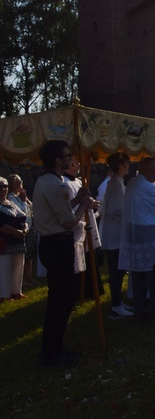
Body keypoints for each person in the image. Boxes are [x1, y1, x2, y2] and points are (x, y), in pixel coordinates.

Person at [34, 140, 93, 366]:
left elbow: (61, 209)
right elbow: (68, 221)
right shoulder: (56, 185)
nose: (71, 159)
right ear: (58, 160)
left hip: (52, 244)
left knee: (62, 298)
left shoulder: (47, 181)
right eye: (67, 155)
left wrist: (78, 199)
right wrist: (84, 205)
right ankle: (51, 353)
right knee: (61, 300)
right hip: (58, 245)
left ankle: (55, 347)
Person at [119, 157, 155, 321]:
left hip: (135, 232)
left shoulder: (133, 182)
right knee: (154, 274)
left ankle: (140, 307)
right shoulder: (147, 187)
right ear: (143, 170)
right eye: (153, 170)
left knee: (138, 273)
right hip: (148, 233)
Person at [100, 152, 134, 319]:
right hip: (115, 234)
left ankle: (118, 302)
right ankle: (115, 306)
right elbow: (116, 210)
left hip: (115, 232)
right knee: (116, 271)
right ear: (119, 166)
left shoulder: (117, 182)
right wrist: (130, 218)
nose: (128, 166)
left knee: (118, 271)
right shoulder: (116, 184)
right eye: (126, 163)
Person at [63, 157, 103, 299]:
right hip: (77, 225)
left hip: (86, 222)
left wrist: (91, 203)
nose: (78, 165)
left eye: (77, 162)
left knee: (88, 255)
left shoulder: (79, 181)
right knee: (78, 258)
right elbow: (68, 207)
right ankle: (80, 292)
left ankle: (92, 290)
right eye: (73, 163)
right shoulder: (64, 183)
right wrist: (86, 204)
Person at [0, 177, 27, 302]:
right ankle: (3, 295)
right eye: (0, 187)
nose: (3, 189)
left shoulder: (11, 203)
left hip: (18, 241)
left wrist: (25, 228)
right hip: (4, 241)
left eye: (5, 186)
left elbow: (23, 216)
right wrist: (15, 232)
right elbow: (1, 225)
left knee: (17, 266)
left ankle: (15, 291)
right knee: (4, 267)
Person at [7, 174, 34, 292]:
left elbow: (31, 209)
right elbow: (20, 214)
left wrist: (26, 200)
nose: (19, 183)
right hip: (20, 230)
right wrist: (23, 202)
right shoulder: (12, 197)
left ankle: (29, 278)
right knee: (23, 256)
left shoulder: (21, 195)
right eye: (16, 181)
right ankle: (22, 280)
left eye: (20, 181)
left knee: (29, 256)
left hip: (29, 228)